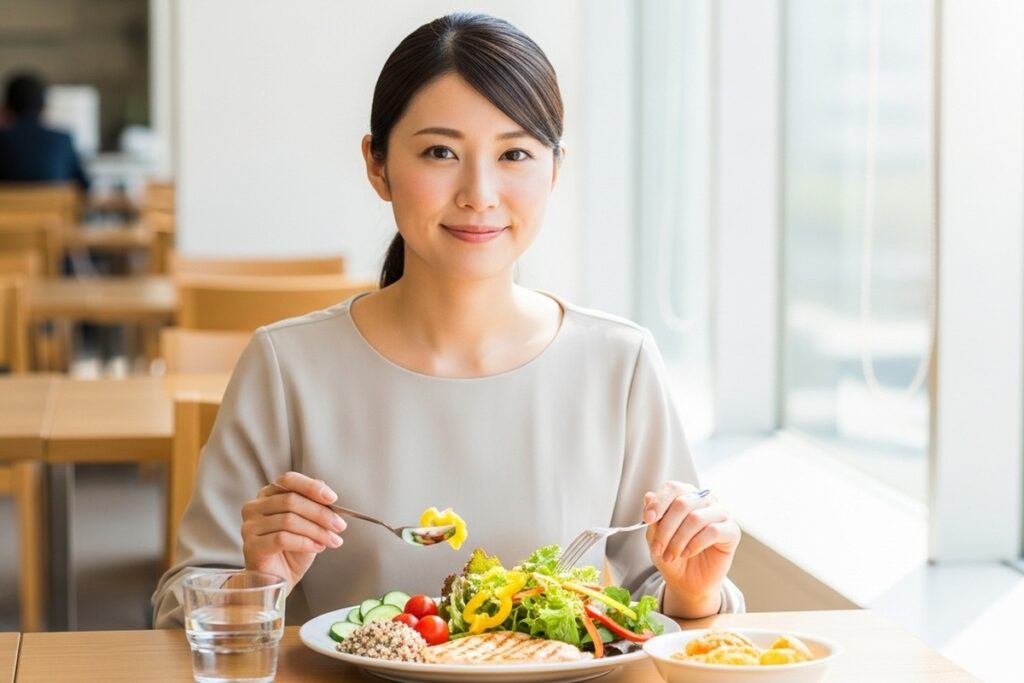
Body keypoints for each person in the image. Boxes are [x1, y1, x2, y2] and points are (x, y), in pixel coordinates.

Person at [152, 12, 743, 628]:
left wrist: (697, 590)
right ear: (377, 165)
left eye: (514, 153)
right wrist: (259, 582)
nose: (479, 192)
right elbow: (182, 607)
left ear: (555, 170)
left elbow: (657, 597)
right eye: (440, 151)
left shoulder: (620, 362)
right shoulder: (287, 366)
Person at [0, 71, 91, 191]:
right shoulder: (62, 140)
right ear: (43, 106)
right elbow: (84, 186)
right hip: (54, 209)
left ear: (6, 107)